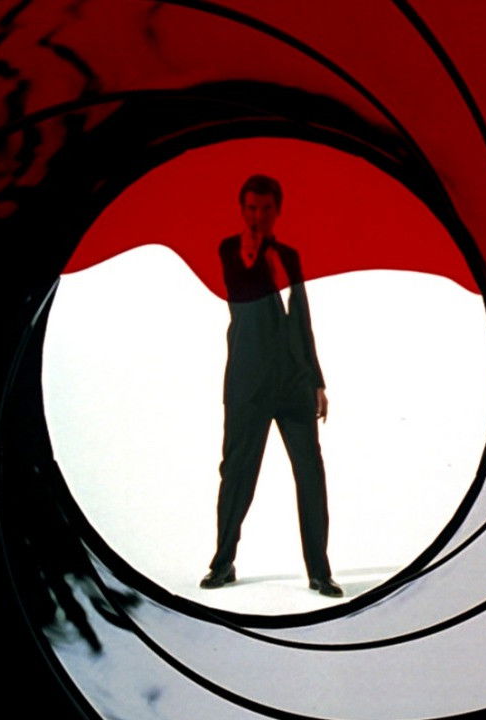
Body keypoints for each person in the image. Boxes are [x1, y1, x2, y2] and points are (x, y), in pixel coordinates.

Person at [199, 174, 342, 598]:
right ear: (241, 210)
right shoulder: (231, 250)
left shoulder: (290, 256)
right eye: (250, 208)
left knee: (311, 473)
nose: (257, 216)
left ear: (277, 211)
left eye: (264, 209)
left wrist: (317, 380)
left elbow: (301, 318)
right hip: (248, 382)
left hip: (294, 381)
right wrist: (259, 250)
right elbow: (242, 286)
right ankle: (223, 563)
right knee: (237, 472)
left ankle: (320, 572)